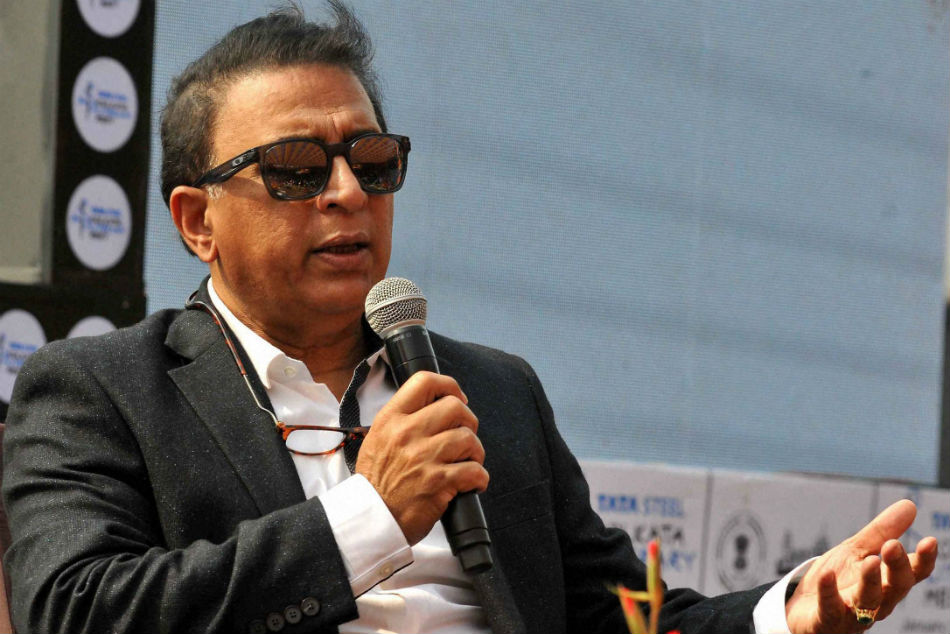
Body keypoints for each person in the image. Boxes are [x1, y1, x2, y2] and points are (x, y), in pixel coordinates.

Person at [1, 3, 937, 634]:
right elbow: (73, 610)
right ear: (196, 221)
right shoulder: (100, 390)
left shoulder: (491, 389)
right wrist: (369, 516)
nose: (347, 193)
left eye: (373, 162)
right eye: (295, 169)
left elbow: (620, 614)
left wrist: (788, 613)